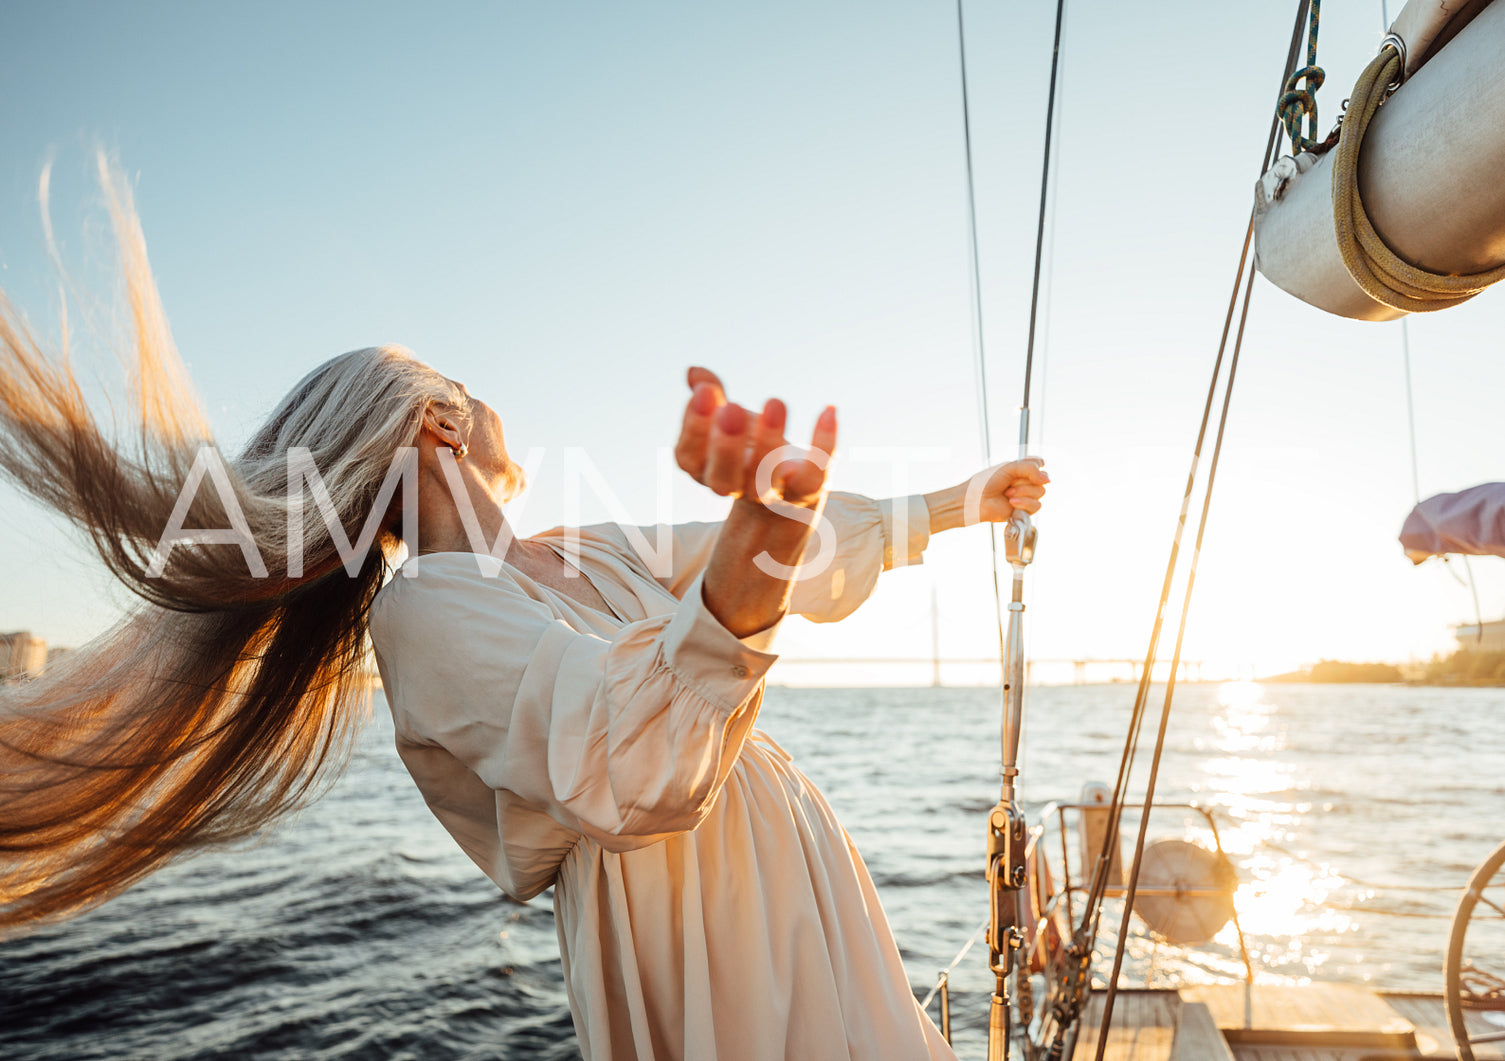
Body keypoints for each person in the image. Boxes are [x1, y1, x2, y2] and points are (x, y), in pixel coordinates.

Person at [0, 163, 1047, 1059]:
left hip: (793, 873)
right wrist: (754, 540)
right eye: (469, 384)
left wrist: (955, 501)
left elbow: (794, 557)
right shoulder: (424, 620)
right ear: (435, 421)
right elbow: (629, 759)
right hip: (696, 923)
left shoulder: (579, 548)